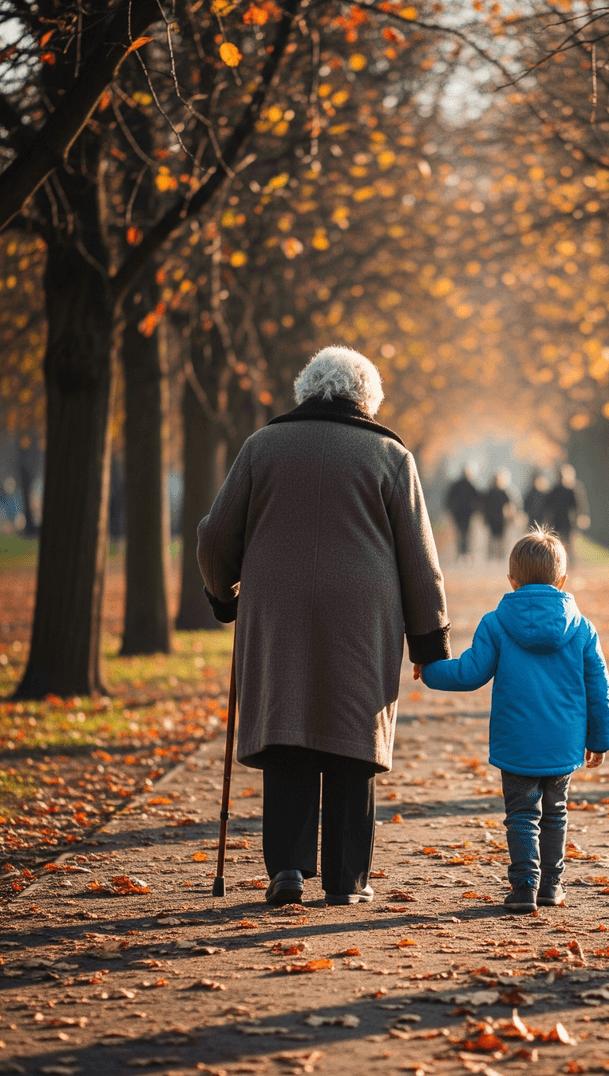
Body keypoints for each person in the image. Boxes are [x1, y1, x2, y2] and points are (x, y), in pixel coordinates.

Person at [196, 346, 450, 908]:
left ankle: (286, 869)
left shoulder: (262, 446)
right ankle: (345, 879)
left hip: (278, 612)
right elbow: (418, 555)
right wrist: (430, 640)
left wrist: (223, 595)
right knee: (351, 735)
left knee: (287, 728)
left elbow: (215, 535)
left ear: (307, 390)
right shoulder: (390, 455)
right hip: (362, 617)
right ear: (368, 399)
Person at [415, 526, 609, 912]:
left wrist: (430, 669)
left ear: (512, 579)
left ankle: (524, 886)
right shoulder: (582, 628)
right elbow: (598, 687)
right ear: (562, 579)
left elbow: (470, 673)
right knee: (555, 814)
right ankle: (552, 886)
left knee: (521, 814)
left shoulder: (497, 623)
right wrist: (599, 739)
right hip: (564, 741)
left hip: (516, 741)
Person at [544, 464, 590, 553]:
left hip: (570, 522)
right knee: (557, 543)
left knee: (570, 544)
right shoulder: (555, 490)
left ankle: (570, 563)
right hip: (557, 522)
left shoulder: (574, 490)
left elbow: (580, 505)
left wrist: (582, 516)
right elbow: (548, 506)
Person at [445, 466, 481, 560]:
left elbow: (477, 499)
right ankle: (464, 553)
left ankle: (463, 553)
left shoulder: (459, 485)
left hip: (463, 513)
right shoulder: (469, 485)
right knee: (465, 533)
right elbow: (477, 499)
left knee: (462, 533)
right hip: (462, 513)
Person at [480, 470, 514, 561]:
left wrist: (510, 517)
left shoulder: (502, 493)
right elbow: (483, 507)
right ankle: (492, 556)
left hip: (500, 519)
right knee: (493, 538)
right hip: (493, 519)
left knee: (500, 539)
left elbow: (510, 506)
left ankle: (499, 556)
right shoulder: (490, 493)